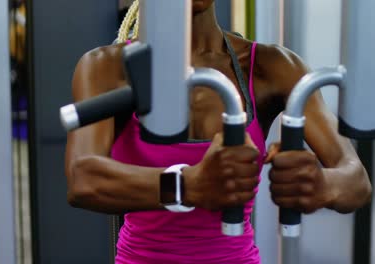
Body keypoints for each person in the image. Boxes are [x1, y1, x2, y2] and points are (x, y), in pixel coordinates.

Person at [65, 1, 372, 263]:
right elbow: (84, 179)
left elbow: (356, 179)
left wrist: (320, 184)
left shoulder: (273, 66)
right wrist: (189, 185)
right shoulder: (106, 67)